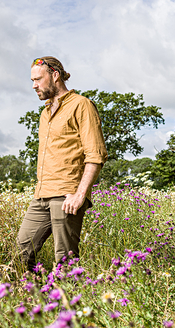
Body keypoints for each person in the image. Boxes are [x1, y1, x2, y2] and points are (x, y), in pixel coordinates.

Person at [17, 56, 108, 271]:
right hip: (42, 194)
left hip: (67, 195)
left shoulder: (81, 105)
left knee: (65, 261)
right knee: (21, 251)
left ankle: (68, 303)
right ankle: (38, 299)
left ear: (55, 75)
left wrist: (80, 195)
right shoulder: (44, 113)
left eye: (38, 79)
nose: (34, 85)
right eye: (32, 80)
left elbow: (95, 155)